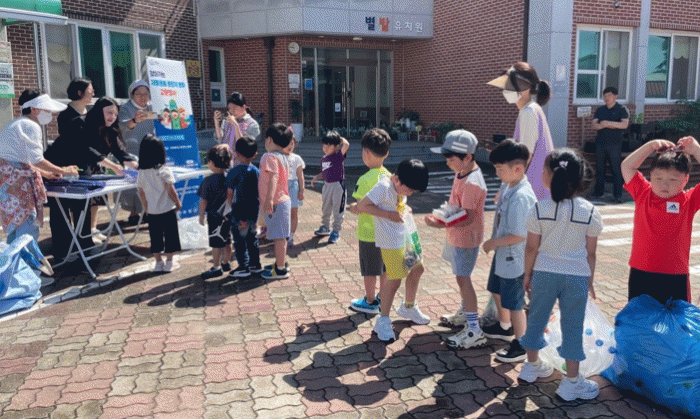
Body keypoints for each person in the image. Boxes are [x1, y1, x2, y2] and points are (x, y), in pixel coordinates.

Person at [518, 149, 602, 402]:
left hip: (544, 273)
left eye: (543, 170)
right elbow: (591, 253)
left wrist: (527, 274)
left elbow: (531, 248)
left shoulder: (538, 208)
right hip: (576, 276)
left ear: (548, 176)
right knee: (572, 327)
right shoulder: (589, 211)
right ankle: (572, 383)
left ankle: (531, 366)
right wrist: (590, 280)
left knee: (536, 319)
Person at [424, 130, 488, 349]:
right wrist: (442, 217)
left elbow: (467, 216)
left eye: (451, 159)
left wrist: (440, 224)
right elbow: (457, 208)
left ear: (468, 157)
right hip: (458, 235)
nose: (448, 163)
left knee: (463, 279)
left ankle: (474, 328)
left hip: (466, 237)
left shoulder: (472, 182)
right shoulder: (462, 172)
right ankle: (464, 313)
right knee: (461, 277)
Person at [355, 159, 430, 342]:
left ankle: (408, 307)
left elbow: (397, 203)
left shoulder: (399, 183)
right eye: (409, 190)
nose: (409, 194)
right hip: (391, 242)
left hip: (406, 235)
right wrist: (388, 215)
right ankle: (383, 320)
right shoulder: (383, 187)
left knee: (418, 269)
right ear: (397, 180)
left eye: (413, 192)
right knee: (395, 279)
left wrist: (405, 208)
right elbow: (361, 206)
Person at [620, 136, 700, 304]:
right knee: (640, 317)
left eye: (673, 179)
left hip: (675, 274)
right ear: (650, 176)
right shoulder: (643, 193)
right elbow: (627, 166)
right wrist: (650, 146)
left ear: (686, 179)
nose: (664, 185)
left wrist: (695, 150)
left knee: (675, 319)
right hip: (641, 271)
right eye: (658, 178)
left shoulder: (689, 201)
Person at [476, 140, 537, 357]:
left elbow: (520, 234)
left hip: (515, 258)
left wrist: (493, 243)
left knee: (514, 303)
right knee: (495, 288)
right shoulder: (510, 185)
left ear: (517, 169)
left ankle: (521, 344)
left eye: (500, 169)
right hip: (505, 254)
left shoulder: (522, 197)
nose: (496, 173)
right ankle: (505, 327)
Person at [0, 91, 78, 244]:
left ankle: (14, 258)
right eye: (46, 110)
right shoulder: (30, 125)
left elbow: (23, 160)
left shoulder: (16, 123)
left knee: (16, 227)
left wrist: (47, 174)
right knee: (27, 227)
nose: (49, 113)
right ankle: (26, 259)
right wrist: (64, 171)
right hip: (17, 184)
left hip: (8, 182)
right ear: (34, 109)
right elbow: (37, 160)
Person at [488, 62, 554, 200]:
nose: (506, 91)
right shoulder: (531, 109)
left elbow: (525, 156)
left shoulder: (528, 112)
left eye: (510, 86)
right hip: (538, 183)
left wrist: (506, 188)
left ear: (525, 88)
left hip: (532, 186)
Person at [46, 79, 97, 257]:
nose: (93, 93)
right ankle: (63, 247)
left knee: (83, 206)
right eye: (90, 90)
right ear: (79, 92)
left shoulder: (90, 113)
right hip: (64, 165)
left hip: (85, 164)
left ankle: (85, 242)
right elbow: (75, 144)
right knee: (61, 206)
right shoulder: (66, 115)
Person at [348, 128, 392, 314]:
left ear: (366, 153)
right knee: (385, 268)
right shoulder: (389, 176)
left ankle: (370, 301)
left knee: (369, 269)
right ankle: (383, 297)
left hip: (369, 232)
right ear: (386, 153)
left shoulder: (364, 179)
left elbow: (360, 206)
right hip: (387, 232)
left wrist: (352, 207)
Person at [136, 134, 182, 273]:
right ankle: (169, 262)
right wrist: (177, 202)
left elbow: (141, 192)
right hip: (167, 209)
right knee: (170, 236)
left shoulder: (141, 172)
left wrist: (146, 208)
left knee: (155, 237)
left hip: (152, 211)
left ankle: (158, 262)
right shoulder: (164, 169)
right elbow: (170, 190)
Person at [259, 123, 293, 280]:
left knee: (279, 237)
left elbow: (273, 178)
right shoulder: (283, 156)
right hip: (283, 200)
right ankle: (281, 263)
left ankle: (280, 269)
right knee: (281, 236)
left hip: (276, 202)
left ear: (270, 139)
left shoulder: (269, 157)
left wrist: (268, 199)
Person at [226, 136, 263, 279]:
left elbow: (230, 193)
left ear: (237, 153)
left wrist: (229, 206)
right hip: (253, 209)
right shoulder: (256, 171)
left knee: (239, 240)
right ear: (255, 154)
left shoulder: (233, 172)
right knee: (252, 238)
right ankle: (255, 265)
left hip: (239, 210)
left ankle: (243, 266)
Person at [119, 79, 156, 224]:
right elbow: (122, 126)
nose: (143, 97)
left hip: (149, 149)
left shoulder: (152, 107)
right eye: (138, 94)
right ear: (132, 94)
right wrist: (134, 121)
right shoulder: (126, 108)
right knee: (132, 183)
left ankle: (147, 211)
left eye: (146, 94)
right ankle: (133, 212)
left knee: (149, 182)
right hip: (131, 149)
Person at [198, 144, 234, 280]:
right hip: (228, 215)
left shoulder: (208, 181)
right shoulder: (229, 178)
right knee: (228, 240)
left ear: (212, 163)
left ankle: (216, 267)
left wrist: (201, 215)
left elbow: (203, 200)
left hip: (214, 217)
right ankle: (226, 263)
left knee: (216, 243)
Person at [311, 130, 350, 244]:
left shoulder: (338, 156)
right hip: (327, 186)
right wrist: (316, 177)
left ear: (336, 146)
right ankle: (325, 227)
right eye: (325, 145)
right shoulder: (324, 159)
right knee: (326, 208)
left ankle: (336, 231)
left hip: (338, 186)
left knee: (338, 209)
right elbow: (324, 173)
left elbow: (346, 145)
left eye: (329, 145)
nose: (326, 147)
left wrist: (339, 139)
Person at [591, 86, 629, 203]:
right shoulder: (600, 110)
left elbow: (624, 125)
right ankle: (599, 192)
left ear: (615, 96)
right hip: (600, 143)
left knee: (615, 169)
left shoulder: (621, 109)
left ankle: (617, 195)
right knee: (600, 168)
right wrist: (604, 125)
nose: (606, 98)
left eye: (609, 95)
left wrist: (607, 123)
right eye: (605, 96)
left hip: (614, 144)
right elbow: (594, 125)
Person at [284, 136, 305, 246]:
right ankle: (282, 235)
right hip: (282, 187)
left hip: (293, 186)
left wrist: (302, 190)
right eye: (287, 143)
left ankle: (291, 236)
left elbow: (300, 175)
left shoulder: (297, 158)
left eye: (292, 143)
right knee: (282, 212)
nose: (290, 146)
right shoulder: (278, 157)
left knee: (294, 211)